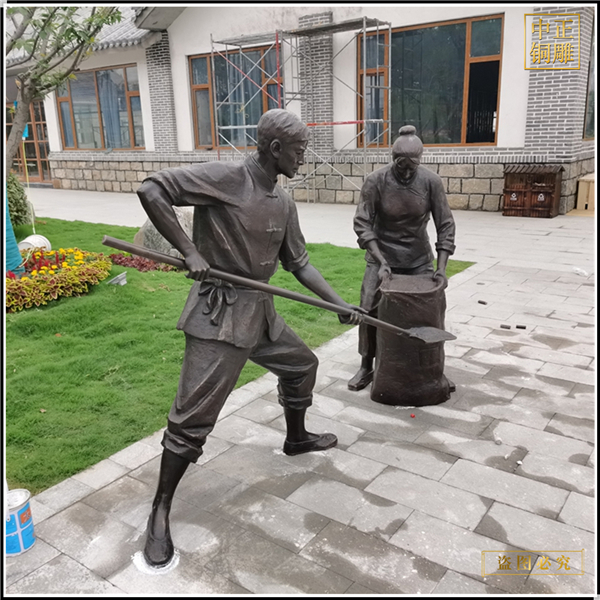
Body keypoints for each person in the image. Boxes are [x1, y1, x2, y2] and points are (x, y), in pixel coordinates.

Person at [136, 109, 362, 567]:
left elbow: (299, 263)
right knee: (192, 419)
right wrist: (190, 250)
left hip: (260, 313)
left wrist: (339, 303)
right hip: (219, 316)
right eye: (299, 151)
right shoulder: (227, 178)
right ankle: (159, 509)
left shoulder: (283, 203)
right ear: (275, 149)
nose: (303, 159)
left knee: (301, 365)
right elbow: (152, 189)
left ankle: (296, 438)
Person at [348, 125, 456, 392]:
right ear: (392, 159)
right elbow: (362, 223)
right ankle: (366, 364)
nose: (406, 173)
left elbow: (446, 225)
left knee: (432, 309)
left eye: (412, 167)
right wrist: (381, 260)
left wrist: (441, 268)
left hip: (418, 259)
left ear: (420, 160)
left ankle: (433, 368)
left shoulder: (431, 182)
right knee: (368, 308)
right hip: (381, 257)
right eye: (401, 166)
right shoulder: (376, 181)